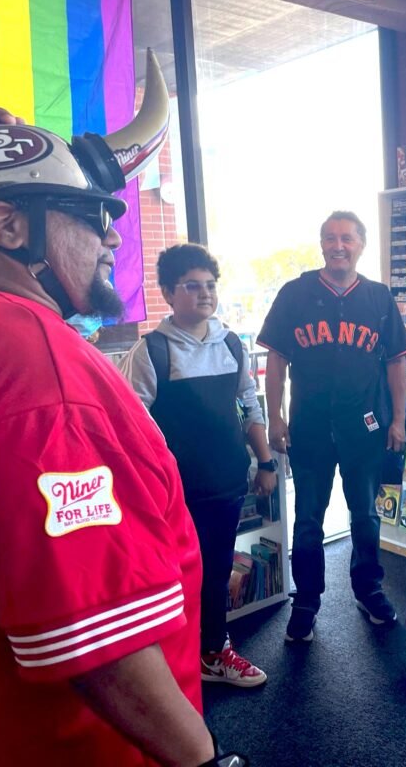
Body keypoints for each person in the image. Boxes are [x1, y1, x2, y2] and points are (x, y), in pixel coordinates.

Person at [0, 84, 234, 766]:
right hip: (73, 747)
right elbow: (95, 640)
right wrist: (203, 760)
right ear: (7, 226)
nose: (112, 236)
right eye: (89, 214)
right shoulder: (22, 355)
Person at [122, 243, 274, 688]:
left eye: (210, 285)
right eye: (192, 286)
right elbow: (130, 425)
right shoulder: (152, 351)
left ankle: (212, 652)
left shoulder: (231, 343)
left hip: (227, 482)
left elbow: (249, 405)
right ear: (169, 293)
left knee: (216, 570)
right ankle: (176, 660)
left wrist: (265, 461)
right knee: (173, 575)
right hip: (174, 493)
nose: (204, 293)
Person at [257, 211, 406, 643]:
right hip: (308, 427)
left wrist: (398, 420)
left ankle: (369, 589)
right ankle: (306, 601)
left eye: (346, 238)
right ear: (321, 244)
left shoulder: (378, 298)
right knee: (308, 520)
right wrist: (275, 417)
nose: (337, 245)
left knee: (366, 516)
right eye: (329, 238)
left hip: (365, 427)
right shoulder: (296, 293)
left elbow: (396, 363)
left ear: (361, 244)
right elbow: (276, 361)